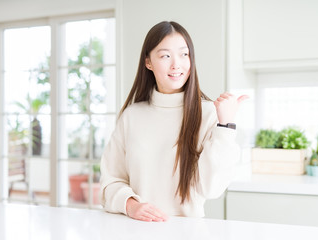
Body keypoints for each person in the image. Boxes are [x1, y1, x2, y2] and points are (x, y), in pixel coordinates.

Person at [99, 21, 248, 222]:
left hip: (187, 232)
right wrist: (131, 205)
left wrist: (226, 126)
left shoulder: (210, 113)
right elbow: (110, 181)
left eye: (184, 54)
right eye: (165, 56)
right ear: (148, 62)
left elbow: (212, 189)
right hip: (134, 230)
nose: (176, 64)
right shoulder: (131, 116)